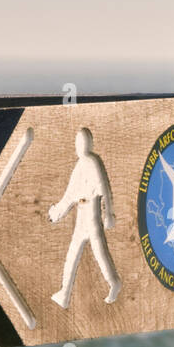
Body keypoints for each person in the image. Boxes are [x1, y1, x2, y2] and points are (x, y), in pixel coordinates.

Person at [48, 128, 121, 308]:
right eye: (77, 143)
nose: (79, 146)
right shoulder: (79, 165)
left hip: (92, 213)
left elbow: (103, 188)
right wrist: (55, 213)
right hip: (81, 213)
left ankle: (114, 283)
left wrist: (108, 214)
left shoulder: (91, 162)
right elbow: (69, 195)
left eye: (81, 142)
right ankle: (65, 294)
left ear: (89, 143)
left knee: (99, 252)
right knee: (73, 253)